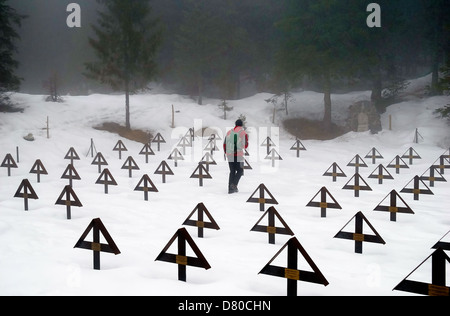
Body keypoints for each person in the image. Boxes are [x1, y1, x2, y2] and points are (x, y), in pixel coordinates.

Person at [224, 119, 248, 194]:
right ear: (241, 125)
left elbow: (224, 144)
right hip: (238, 155)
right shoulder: (243, 133)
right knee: (240, 171)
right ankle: (233, 185)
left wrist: (227, 152)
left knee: (232, 171)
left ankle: (230, 189)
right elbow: (245, 145)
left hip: (229, 154)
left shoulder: (229, 132)